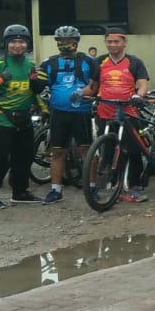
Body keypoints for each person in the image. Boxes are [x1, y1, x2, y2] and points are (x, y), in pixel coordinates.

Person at [0, 24, 43, 209]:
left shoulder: (30, 65)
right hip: (1, 119)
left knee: (24, 158)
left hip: (24, 118)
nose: (17, 45)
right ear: (6, 44)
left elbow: (33, 91)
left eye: (21, 42)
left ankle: (20, 192)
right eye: (13, 42)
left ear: (27, 44)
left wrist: (37, 89)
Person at [36, 25, 96, 204]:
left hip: (81, 113)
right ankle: (55, 190)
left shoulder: (88, 61)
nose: (65, 44)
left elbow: (94, 86)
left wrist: (82, 93)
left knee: (87, 151)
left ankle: (92, 187)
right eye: (61, 41)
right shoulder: (49, 63)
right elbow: (38, 86)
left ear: (76, 42)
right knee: (57, 152)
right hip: (59, 114)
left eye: (69, 41)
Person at [91, 26, 150, 202]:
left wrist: (139, 96)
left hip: (129, 112)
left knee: (132, 150)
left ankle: (135, 186)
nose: (112, 45)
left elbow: (142, 83)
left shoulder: (135, 62)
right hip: (105, 113)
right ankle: (114, 184)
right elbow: (93, 87)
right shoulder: (100, 62)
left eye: (116, 41)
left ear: (124, 42)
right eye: (109, 41)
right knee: (108, 149)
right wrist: (80, 93)